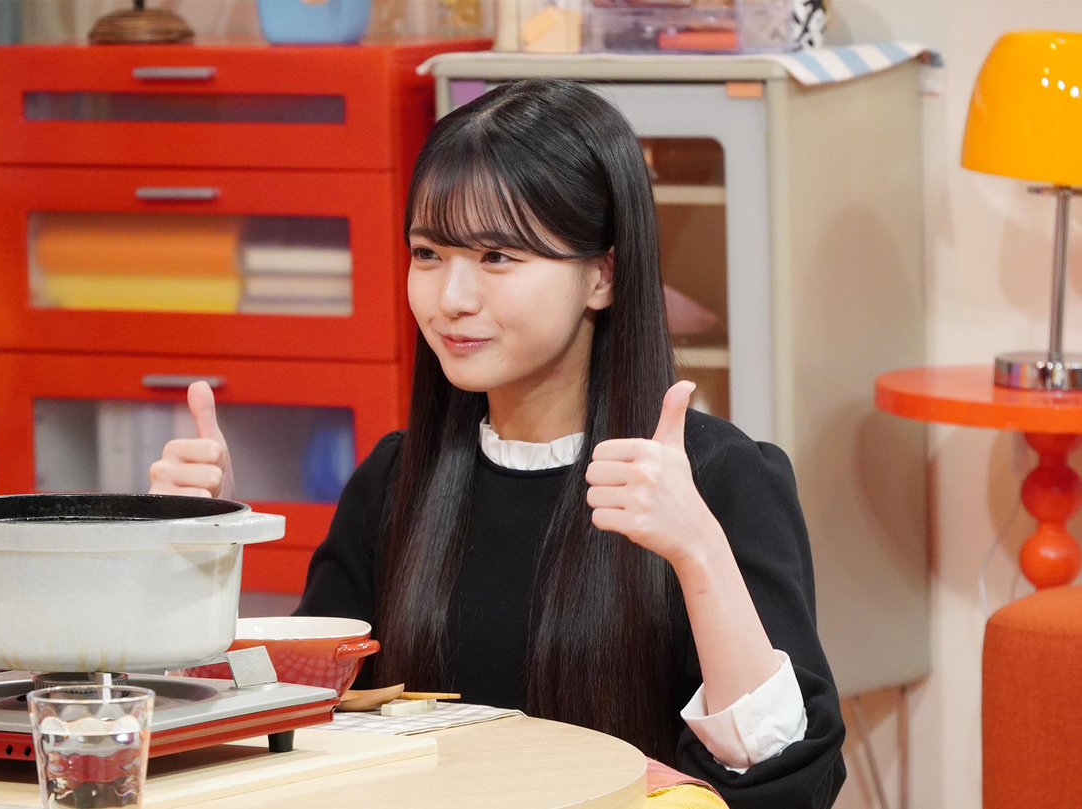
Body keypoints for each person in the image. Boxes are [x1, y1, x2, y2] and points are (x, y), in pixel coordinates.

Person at [151, 79, 845, 809]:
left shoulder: (718, 478)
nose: (451, 298)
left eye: (497, 257)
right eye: (428, 253)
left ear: (602, 275)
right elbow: (289, 724)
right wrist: (194, 557)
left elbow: (786, 783)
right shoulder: (395, 481)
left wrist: (697, 549)